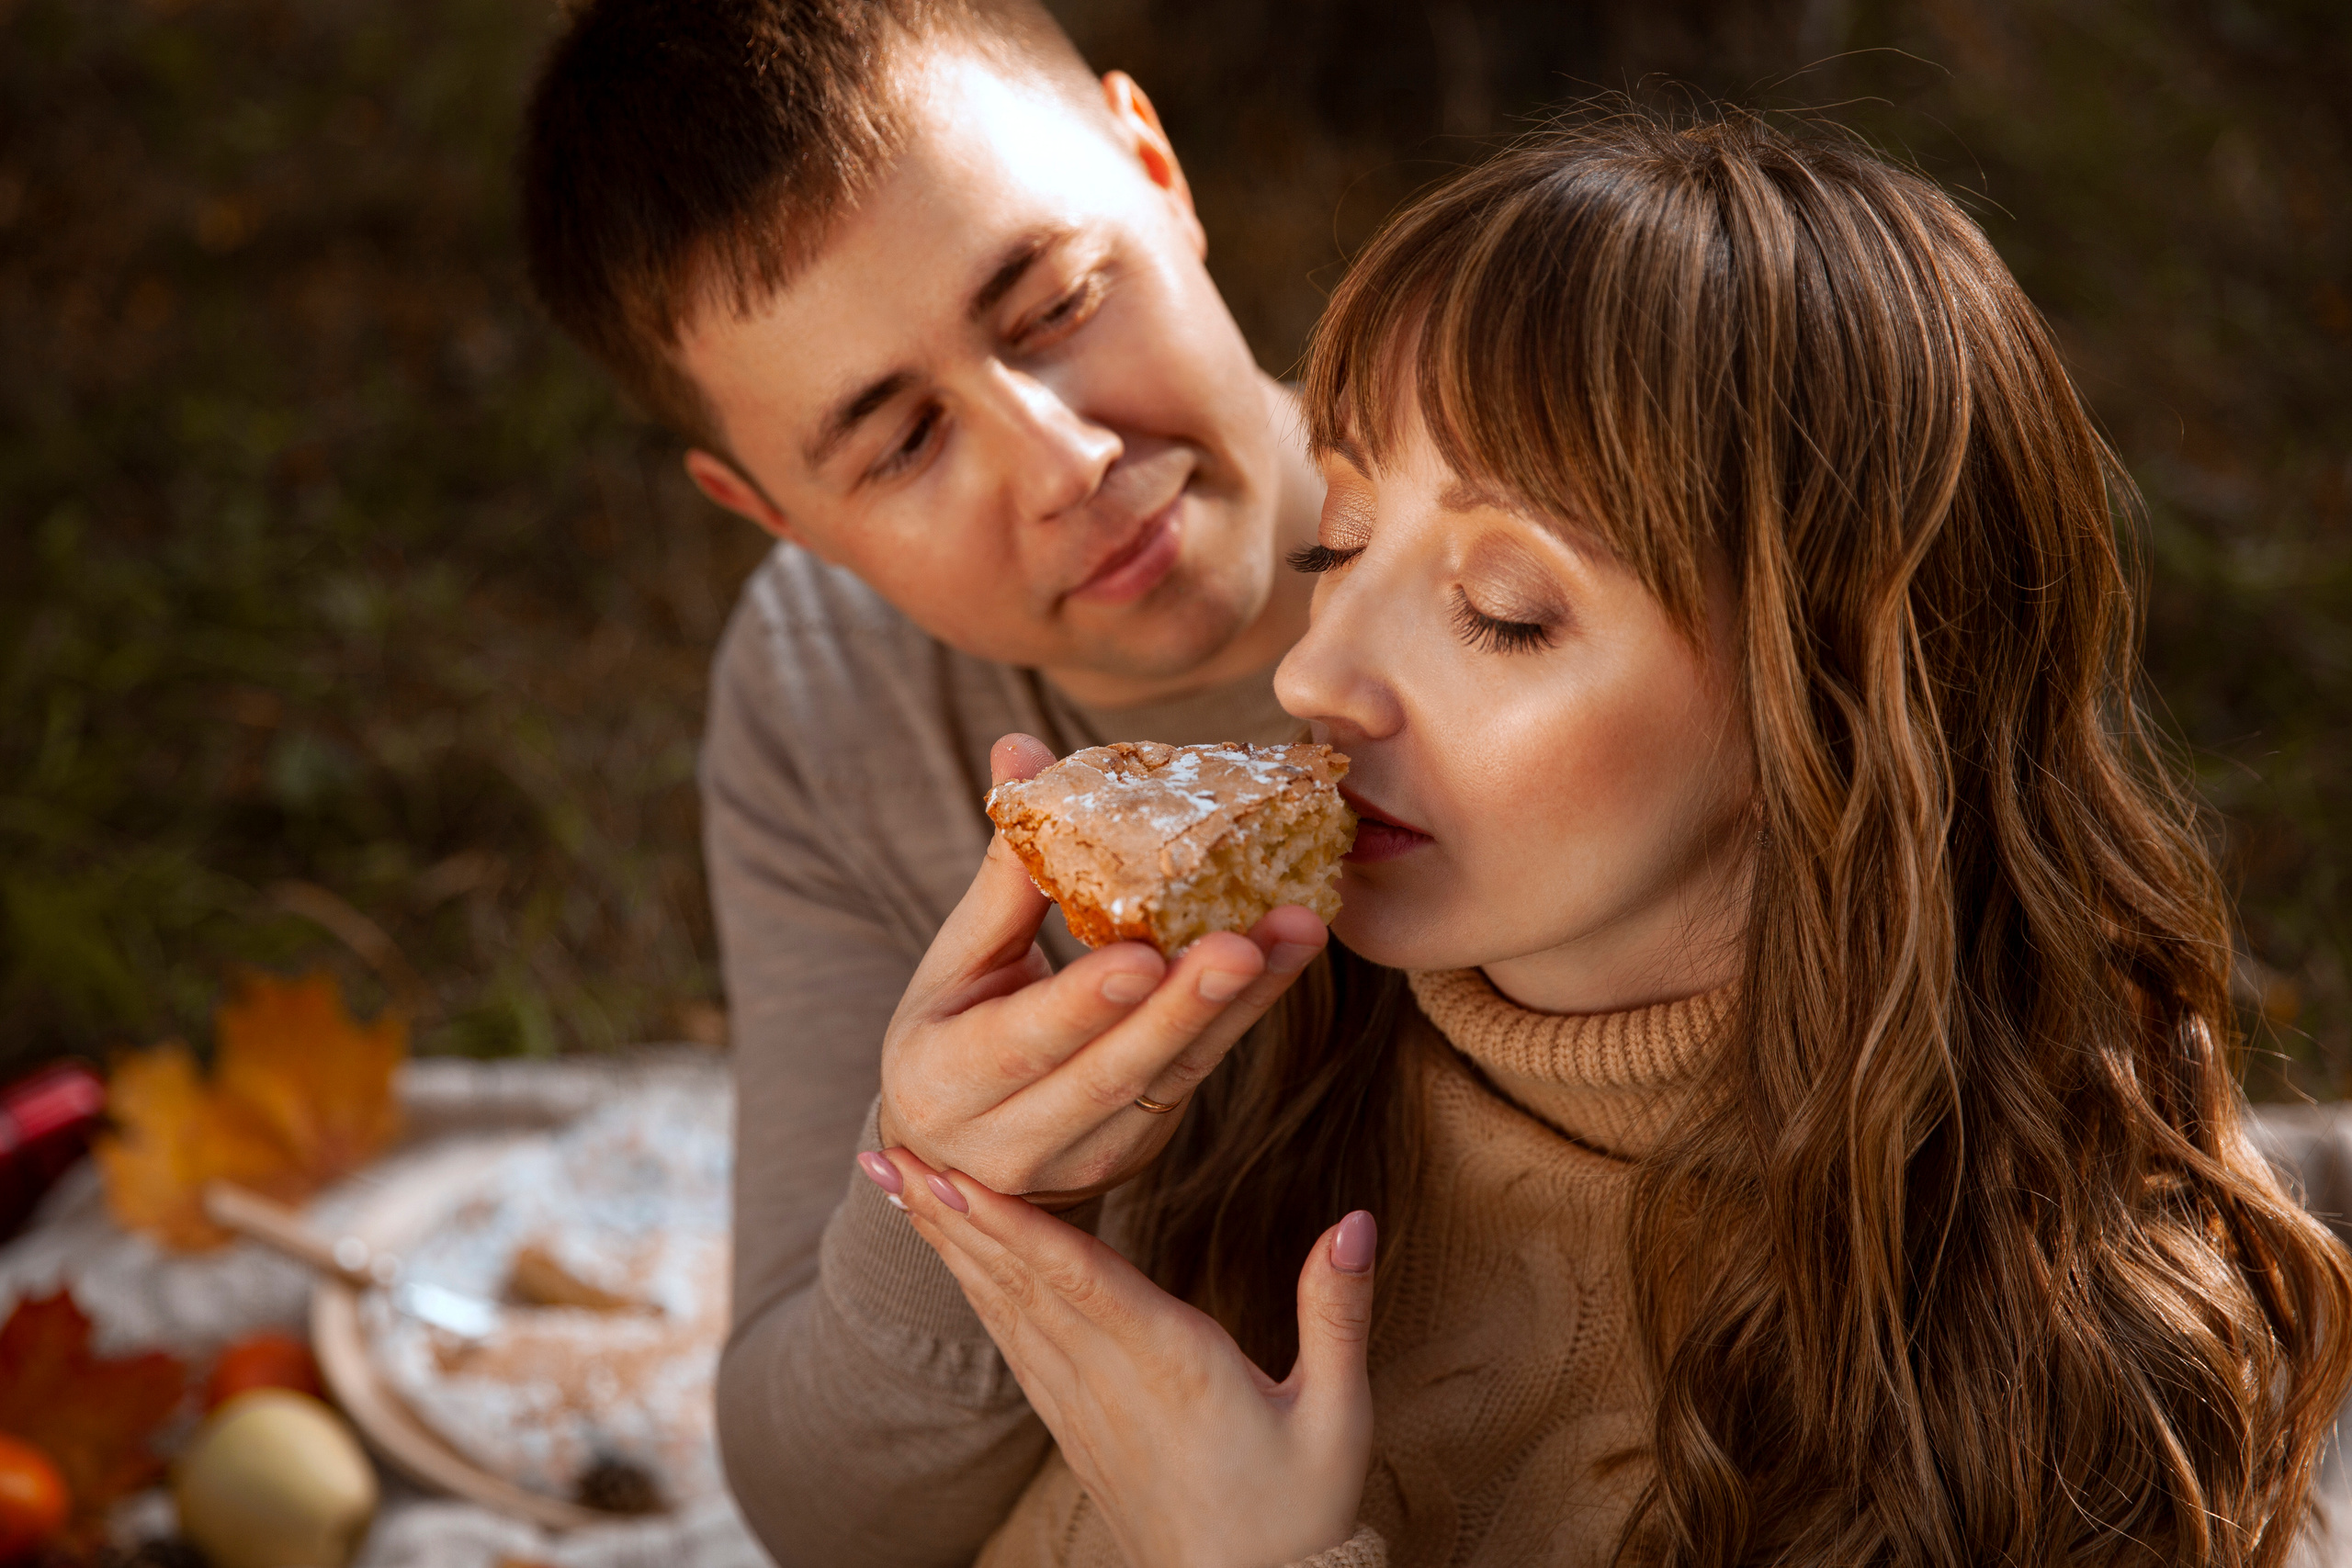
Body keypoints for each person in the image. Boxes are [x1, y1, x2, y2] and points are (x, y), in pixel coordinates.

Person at [840, 113, 2352, 1565]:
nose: (1310, 676)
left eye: (1503, 610)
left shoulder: (2067, 1396)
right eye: (1342, 539)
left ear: (1829, 705)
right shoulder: (1250, 1067)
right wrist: (962, 1187)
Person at [518, 1, 1340, 1556]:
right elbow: (824, 1512)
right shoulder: (832, 694)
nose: (1061, 461)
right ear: (770, 512)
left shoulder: (1578, 543)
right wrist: (956, 1197)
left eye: (1055, 302)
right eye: (898, 444)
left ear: (1153, 166)